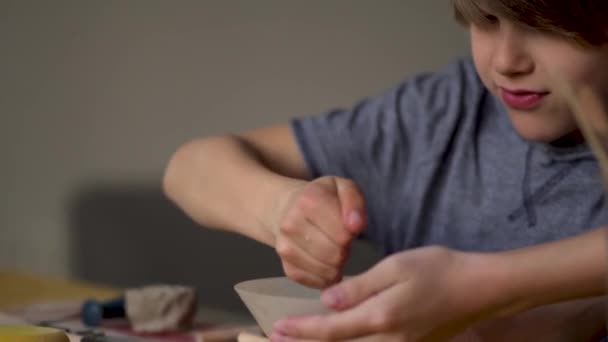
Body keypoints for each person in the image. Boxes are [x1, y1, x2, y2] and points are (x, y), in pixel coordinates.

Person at [163, 0, 608, 340]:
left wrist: (486, 291)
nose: (507, 61)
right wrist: (282, 209)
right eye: (487, 20)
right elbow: (190, 168)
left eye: (543, 25)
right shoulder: (445, 113)